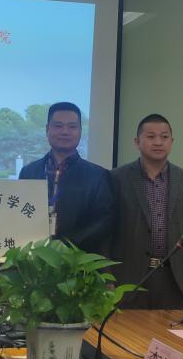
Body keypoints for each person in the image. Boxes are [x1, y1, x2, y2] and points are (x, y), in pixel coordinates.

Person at [110, 114, 183, 309]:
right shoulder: (116, 178)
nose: (158, 142)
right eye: (151, 136)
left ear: (172, 142)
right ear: (137, 142)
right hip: (129, 279)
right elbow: (107, 232)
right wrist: (107, 276)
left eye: (164, 137)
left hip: (175, 279)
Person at [18, 102, 114, 254]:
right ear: (47, 129)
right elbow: (19, 214)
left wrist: (65, 245)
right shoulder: (28, 172)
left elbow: (104, 221)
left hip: (78, 259)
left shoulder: (98, 175)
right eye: (58, 126)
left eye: (72, 127)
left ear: (80, 131)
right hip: (33, 257)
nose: (65, 132)